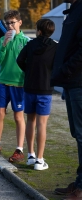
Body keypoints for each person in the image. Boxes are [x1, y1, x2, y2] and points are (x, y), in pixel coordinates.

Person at [0, 10, 30, 163]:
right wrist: (3, 44)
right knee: (0, 113)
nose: (10, 26)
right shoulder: (3, 38)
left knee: (18, 115)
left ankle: (19, 149)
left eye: (13, 22)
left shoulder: (26, 41)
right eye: (7, 23)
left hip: (18, 83)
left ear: (19, 23)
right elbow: (0, 60)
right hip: (3, 81)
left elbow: (28, 63)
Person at [51, 0, 82, 198]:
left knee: (81, 135)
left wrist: (66, 70)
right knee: (77, 135)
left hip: (78, 82)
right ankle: (79, 181)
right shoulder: (75, 10)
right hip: (71, 82)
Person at [16, 19, 57, 170]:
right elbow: (58, 64)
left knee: (30, 121)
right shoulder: (55, 46)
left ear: (38, 30)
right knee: (42, 124)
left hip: (30, 87)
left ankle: (30, 155)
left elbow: (19, 59)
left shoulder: (30, 44)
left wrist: (29, 71)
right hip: (45, 88)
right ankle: (40, 160)